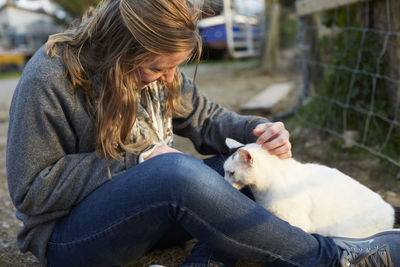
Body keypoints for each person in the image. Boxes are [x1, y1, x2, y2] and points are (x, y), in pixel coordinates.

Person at [5, 0, 400, 266]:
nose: (168, 78)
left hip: (145, 212)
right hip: (69, 237)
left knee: (222, 175)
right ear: (120, 52)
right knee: (177, 174)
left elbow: (208, 121)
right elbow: (32, 191)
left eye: (173, 68)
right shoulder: (50, 76)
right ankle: (332, 257)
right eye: (158, 70)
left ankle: (207, 257)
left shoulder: (161, 72)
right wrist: (137, 161)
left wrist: (257, 132)